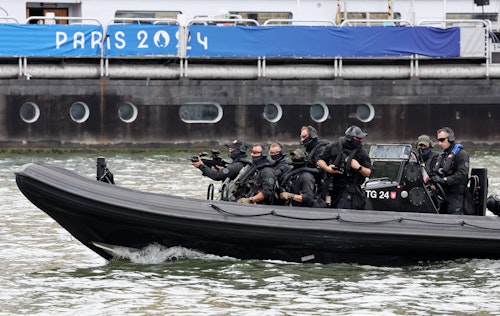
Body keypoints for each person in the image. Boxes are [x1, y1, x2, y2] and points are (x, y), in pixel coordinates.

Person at [317, 125, 372, 209]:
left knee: (342, 211)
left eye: (361, 138)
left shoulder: (361, 153)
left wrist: (358, 167)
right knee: (326, 209)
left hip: (348, 190)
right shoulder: (335, 146)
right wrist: (328, 168)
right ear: (350, 138)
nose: (361, 140)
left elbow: (369, 172)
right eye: (358, 138)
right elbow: (320, 161)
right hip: (331, 187)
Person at [430, 127, 471, 215]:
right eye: (438, 140)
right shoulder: (442, 155)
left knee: (454, 214)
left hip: (456, 195)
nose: (440, 143)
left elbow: (461, 175)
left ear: (451, 139)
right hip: (442, 193)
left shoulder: (461, 155)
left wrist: (444, 180)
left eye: (442, 140)